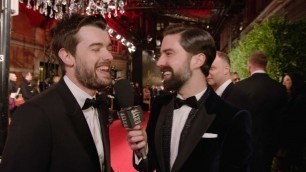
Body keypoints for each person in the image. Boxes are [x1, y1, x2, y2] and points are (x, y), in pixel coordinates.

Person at [126, 24, 252, 171]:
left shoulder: (233, 117)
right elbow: (148, 165)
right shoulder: (160, 105)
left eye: (169, 53)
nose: (159, 63)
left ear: (197, 60)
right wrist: (142, 149)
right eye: (161, 55)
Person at [0, 13, 114, 172]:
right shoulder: (35, 114)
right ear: (67, 56)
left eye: (108, 48)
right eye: (96, 49)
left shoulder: (100, 106)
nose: (109, 56)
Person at [235, 51, 288, 172]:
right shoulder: (279, 89)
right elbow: (283, 119)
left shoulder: (239, 87)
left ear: (249, 65)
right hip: (269, 142)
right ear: (267, 65)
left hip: (244, 142)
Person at [274, 73, 306, 172]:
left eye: (287, 80)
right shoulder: (285, 97)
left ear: (294, 82)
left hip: (293, 142)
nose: (284, 82)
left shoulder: (300, 98)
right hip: (283, 141)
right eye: (283, 80)